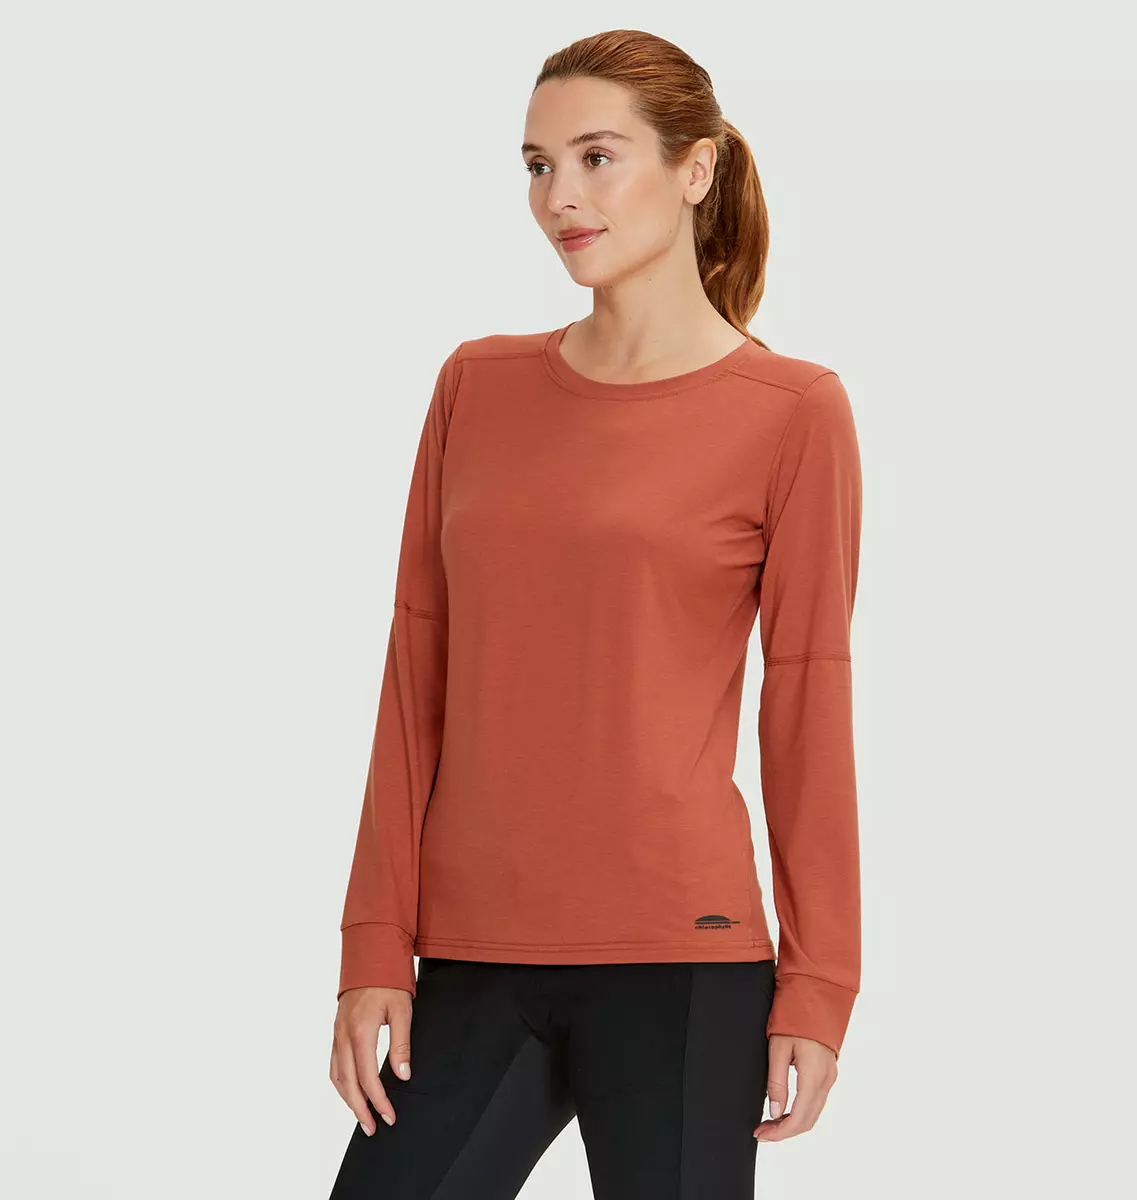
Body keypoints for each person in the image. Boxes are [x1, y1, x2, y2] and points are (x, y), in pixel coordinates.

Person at [328, 27, 864, 1200]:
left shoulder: (793, 412)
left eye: (595, 157)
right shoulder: (477, 386)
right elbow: (416, 674)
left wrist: (821, 984)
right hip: (472, 950)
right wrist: (372, 942)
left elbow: (807, 705)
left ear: (696, 168)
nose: (558, 196)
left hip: (683, 956)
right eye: (537, 164)